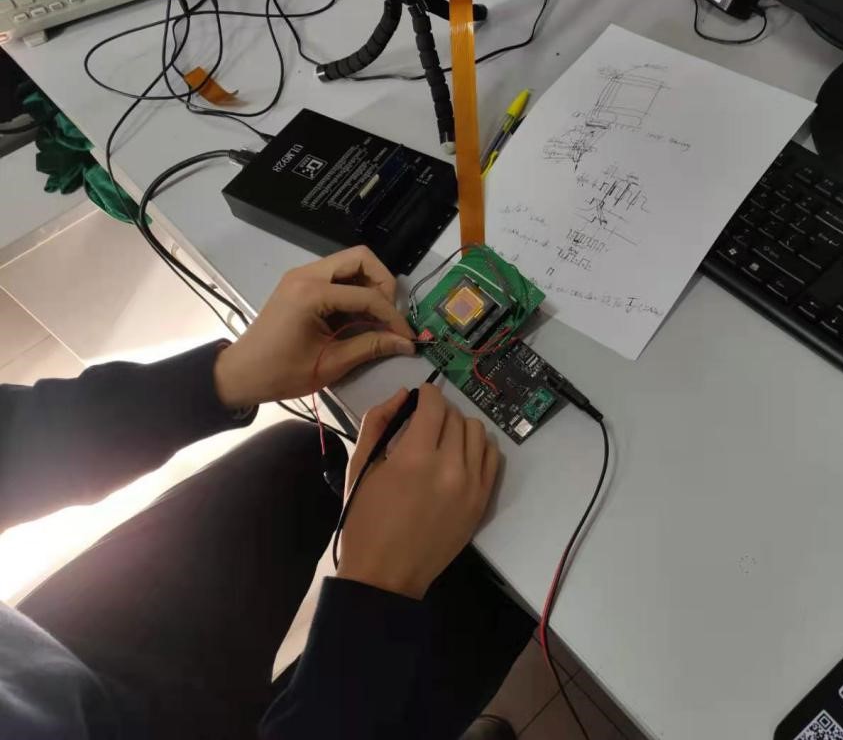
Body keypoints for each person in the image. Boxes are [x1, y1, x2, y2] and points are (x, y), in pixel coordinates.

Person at [0, 246, 533, 740]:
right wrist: (377, 589)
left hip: (49, 660)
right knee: (488, 579)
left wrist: (219, 378)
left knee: (300, 458)